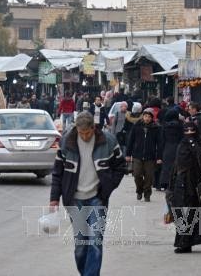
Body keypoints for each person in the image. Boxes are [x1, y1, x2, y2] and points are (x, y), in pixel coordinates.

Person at [49, 112, 125, 276]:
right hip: (75, 200)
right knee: (81, 245)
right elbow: (57, 172)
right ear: (76, 129)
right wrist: (54, 198)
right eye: (81, 133)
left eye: (88, 133)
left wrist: (108, 187)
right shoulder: (66, 142)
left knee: (95, 241)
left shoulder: (108, 141)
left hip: (97, 198)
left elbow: (120, 166)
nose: (84, 136)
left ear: (93, 128)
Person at [167, 122, 201, 254]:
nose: (189, 133)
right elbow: (177, 165)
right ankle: (185, 244)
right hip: (184, 183)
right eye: (186, 130)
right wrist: (171, 184)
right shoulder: (182, 144)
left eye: (192, 130)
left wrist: (196, 148)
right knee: (185, 212)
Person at [126, 109, 163, 201]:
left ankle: (147, 194)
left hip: (150, 156)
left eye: (149, 117)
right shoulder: (137, 126)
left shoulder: (156, 128)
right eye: (145, 116)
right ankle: (139, 190)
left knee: (149, 177)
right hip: (137, 155)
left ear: (152, 118)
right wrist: (128, 154)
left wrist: (159, 157)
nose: (147, 118)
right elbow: (130, 141)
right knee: (137, 174)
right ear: (143, 116)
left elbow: (160, 143)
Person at [159, 109, 184, 190]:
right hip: (178, 147)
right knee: (177, 166)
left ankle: (165, 183)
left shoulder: (165, 126)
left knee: (166, 166)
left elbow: (162, 140)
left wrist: (160, 151)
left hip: (167, 147)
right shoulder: (181, 126)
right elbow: (182, 137)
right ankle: (175, 182)